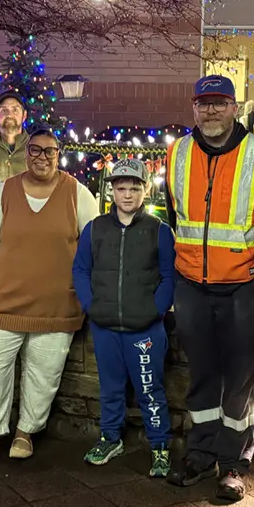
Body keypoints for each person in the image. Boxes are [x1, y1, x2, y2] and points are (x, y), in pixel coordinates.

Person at [164, 75, 254, 501]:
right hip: (192, 284)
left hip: (244, 287)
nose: (211, 111)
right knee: (201, 376)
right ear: (193, 108)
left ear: (235, 108)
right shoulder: (176, 152)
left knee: (239, 378)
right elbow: (174, 217)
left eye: (220, 103)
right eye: (203, 103)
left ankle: (233, 464)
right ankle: (200, 453)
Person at [0, 128, 98, 467]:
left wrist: (89, 296)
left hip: (56, 305)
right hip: (2, 303)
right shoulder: (2, 193)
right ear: (26, 153)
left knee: (44, 373)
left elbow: (96, 249)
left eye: (49, 151)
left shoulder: (78, 195)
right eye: (35, 150)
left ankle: (25, 431)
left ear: (59, 154)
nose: (42, 157)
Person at [73, 158, 176, 478]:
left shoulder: (159, 231)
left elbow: (170, 277)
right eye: (121, 188)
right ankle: (110, 438)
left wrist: (154, 310)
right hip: (105, 327)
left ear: (146, 190)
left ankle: (160, 445)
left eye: (134, 188)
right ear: (112, 191)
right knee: (111, 387)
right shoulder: (95, 229)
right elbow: (80, 270)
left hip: (145, 329)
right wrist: (92, 305)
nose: (127, 195)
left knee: (150, 388)